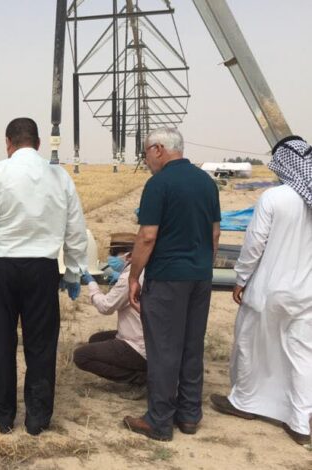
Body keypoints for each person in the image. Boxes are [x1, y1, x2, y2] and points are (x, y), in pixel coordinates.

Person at [0, 117, 89, 435]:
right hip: (42, 270)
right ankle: (37, 419)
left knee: (2, 344)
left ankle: (2, 417)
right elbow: (75, 229)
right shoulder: (60, 176)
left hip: (0, 270)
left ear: (8, 142)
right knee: (41, 346)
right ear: (39, 143)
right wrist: (73, 272)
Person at [210, 135, 312, 446]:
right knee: (302, 355)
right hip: (306, 292)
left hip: (269, 289)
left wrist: (241, 279)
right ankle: (300, 423)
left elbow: (254, 244)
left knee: (249, 344)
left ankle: (244, 402)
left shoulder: (275, 197)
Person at [124, 128, 221, 441]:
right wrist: (202, 265)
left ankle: (159, 420)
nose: (146, 160)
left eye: (146, 153)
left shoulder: (159, 184)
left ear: (158, 149)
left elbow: (147, 236)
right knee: (192, 345)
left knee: (164, 349)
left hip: (167, 278)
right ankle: (190, 415)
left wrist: (133, 276)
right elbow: (215, 233)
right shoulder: (206, 182)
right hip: (200, 277)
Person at [73, 233, 147, 400]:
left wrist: (92, 285)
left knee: (81, 356)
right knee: (96, 339)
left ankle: (141, 379)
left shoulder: (128, 278)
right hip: (146, 337)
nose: (111, 258)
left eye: (114, 254)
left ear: (129, 255)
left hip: (138, 345)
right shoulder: (141, 271)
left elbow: (106, 307)